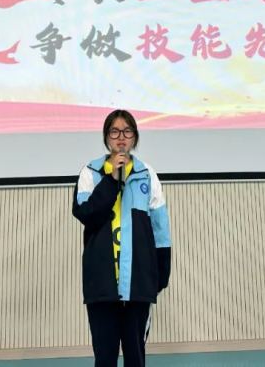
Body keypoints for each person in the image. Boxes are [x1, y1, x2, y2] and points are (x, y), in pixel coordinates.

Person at [72, 109, 172, 367]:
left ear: (134, 137)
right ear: (107, 137)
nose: (121, 138)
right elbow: (86, 214)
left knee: (135, 357)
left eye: (127, 132)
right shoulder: (91, 172)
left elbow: (160, 228)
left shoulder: (146, 173)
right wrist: (111, 180)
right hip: (101, 284)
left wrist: (161, 273)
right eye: (115, 132)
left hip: (138, 283)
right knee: (104, 358)